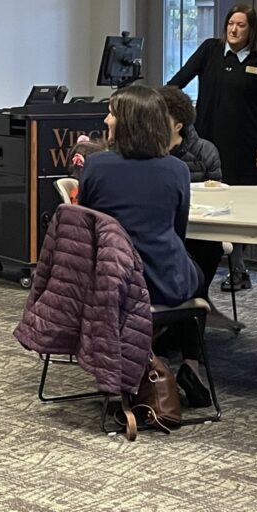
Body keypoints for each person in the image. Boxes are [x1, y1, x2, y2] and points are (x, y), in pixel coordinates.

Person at [78, 85, 211, 408]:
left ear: (127, 123)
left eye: (112, 114)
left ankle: (139, 360)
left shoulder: (96, 167)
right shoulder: (178, 170)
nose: (107, 120)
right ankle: (190, 364)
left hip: (112, 286)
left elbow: (87, 232)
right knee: (200, 269)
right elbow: (177, 233)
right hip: (164, 283)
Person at [167, 4, 257, 292]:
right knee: (208, 199)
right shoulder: (210, 50)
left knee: (241, 204)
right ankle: (198, 264)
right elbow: (178, 82)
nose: (234, 29)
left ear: (251, 30)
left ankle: (239, 270)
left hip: (248, 145)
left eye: (241, 25)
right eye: (231, 23)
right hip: (210, 141)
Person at [157, 85, 224, 297]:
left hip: (199, 228)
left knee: (209, 247)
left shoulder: (205, 151)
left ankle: (196, 304)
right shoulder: (145, 150)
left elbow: (218, 196)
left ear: (177, 126)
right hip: (160, 228)